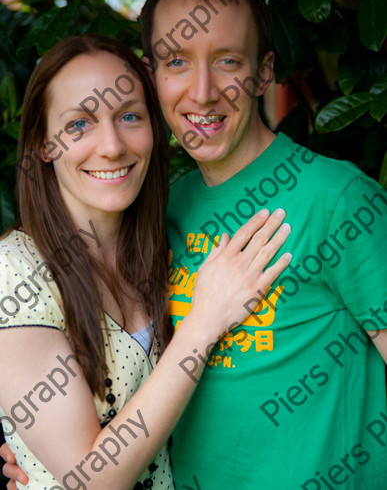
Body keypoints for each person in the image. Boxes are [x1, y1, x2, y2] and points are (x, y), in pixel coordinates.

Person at [3, 0, 387, 488]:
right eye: (177, 63)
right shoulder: (162, 210)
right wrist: (40, 452)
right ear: (153, 75)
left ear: (264, 71)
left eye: (228, 61)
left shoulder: (339, 200)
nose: (202, 92)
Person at [0, 33, 293, 489]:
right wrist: (203, 323)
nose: (113, 145)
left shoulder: (166, 246)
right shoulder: (14, 274)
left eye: (130, 116)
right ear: (42, 143)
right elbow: (92, 479)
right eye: (78, 124)